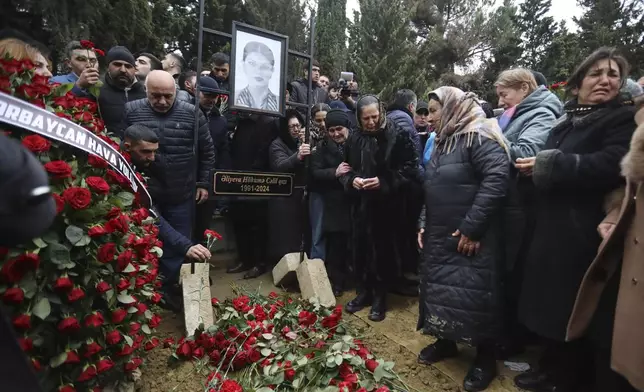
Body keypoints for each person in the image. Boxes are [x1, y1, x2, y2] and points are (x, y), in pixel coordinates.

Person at [514, 47, 636, 392]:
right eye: (596, 73)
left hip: (583, 229)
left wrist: (550, 164)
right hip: (550, 224)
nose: (605, 80)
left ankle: (566, 378)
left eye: (613, 74)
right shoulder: (568, 119)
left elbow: (613, 163)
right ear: (578, 83)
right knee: (546, 300)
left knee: (573, 305)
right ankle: (549, 367)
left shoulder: (620, 120)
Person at [415, 87, 511, 392]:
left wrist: (472, 228)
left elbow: (497, 180)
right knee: (444, 293)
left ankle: (485, 358)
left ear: (454, 107)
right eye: (427, 111)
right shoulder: (444, 140)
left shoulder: (480, 136)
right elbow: (431, 186)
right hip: (440, 233)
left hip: (470, 236)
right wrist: (423, 221)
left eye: (433, 110)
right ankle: (447, 343)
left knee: (475, 297)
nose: (428, 117)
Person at [565, 101, 644, 392]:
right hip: (622, 253)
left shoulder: (621, 121)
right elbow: (628, 184)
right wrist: (615, 211)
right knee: (610, 341)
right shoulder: (635, 121)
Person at [124, 70, 215, 309]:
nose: (162, 102)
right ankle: (145, 289)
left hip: (181, 191)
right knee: (144, 242)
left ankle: (166, 289)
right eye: (156, 96)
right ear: (145, 91)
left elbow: (207, 152)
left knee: (178, 243)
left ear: (177, 92)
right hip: (145, 192)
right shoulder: (131, 111)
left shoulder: (193, 114)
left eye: (167, 96)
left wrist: (203, 183)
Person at [339, 95, 420, 322]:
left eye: (375, 117)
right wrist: (351, 180)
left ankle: (380, 297)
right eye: (366, 118)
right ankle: (363, 292)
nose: (372, 122)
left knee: (383, 252)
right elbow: (345, 169)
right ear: (359, 118)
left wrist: (384, 182)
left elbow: (410, 169)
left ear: (381, 113)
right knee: (359, 249)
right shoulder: (353, 137)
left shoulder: (398, 134)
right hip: (359, 204)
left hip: (388, 206)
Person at [122, 124, 212, 267]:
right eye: (146, 151)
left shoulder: (151, 164)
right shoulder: (121, 170)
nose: (152, 158)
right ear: (128, 147)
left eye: (154, 152)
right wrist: (185, 246)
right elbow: (152, 213)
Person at [311, 110, 353, 296]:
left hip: (355, 200)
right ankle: (337, 282)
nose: (336, 134)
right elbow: (314, 172)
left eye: (339, 129)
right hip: (334, 202)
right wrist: (334, 173)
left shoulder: (357, 144)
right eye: (331, 130)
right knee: (336, 244)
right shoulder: (321, 148)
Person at [267, 110, 311, 272]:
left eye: (298, 125)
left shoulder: (303, 141)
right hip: (284, 198)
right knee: (285, 238)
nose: (296, 129)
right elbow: (279, 166)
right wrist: (298, 156)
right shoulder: (277, 144)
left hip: (302, 194)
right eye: (292, 126)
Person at [192, 76, 232, 244]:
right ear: (196, 92)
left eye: (214, 96)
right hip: (187, 178)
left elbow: (223, 152)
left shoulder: (221, 121)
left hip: (210, 181)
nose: (210, 100)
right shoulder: (187, 113)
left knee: (203, 226)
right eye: (206, 95)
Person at [495, 68, 563, 160]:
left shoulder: (542, 115)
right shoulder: (513, 114)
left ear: (524, 88)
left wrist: (490, 135)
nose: (500, 103)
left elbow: (527, 154)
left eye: (504, 95)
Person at [98, 46, 146, 136]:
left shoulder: (145, 92)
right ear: (108, 67)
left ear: (134, 70)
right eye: (117, 64)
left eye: (128, 66)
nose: (123, 70)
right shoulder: (97, 90)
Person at [235, 41, 279, 111]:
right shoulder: (234, 97)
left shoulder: (279, 102)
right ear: (243, 65)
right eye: (252, 64)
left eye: (265, 66)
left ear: (272, 70)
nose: (258, 71)